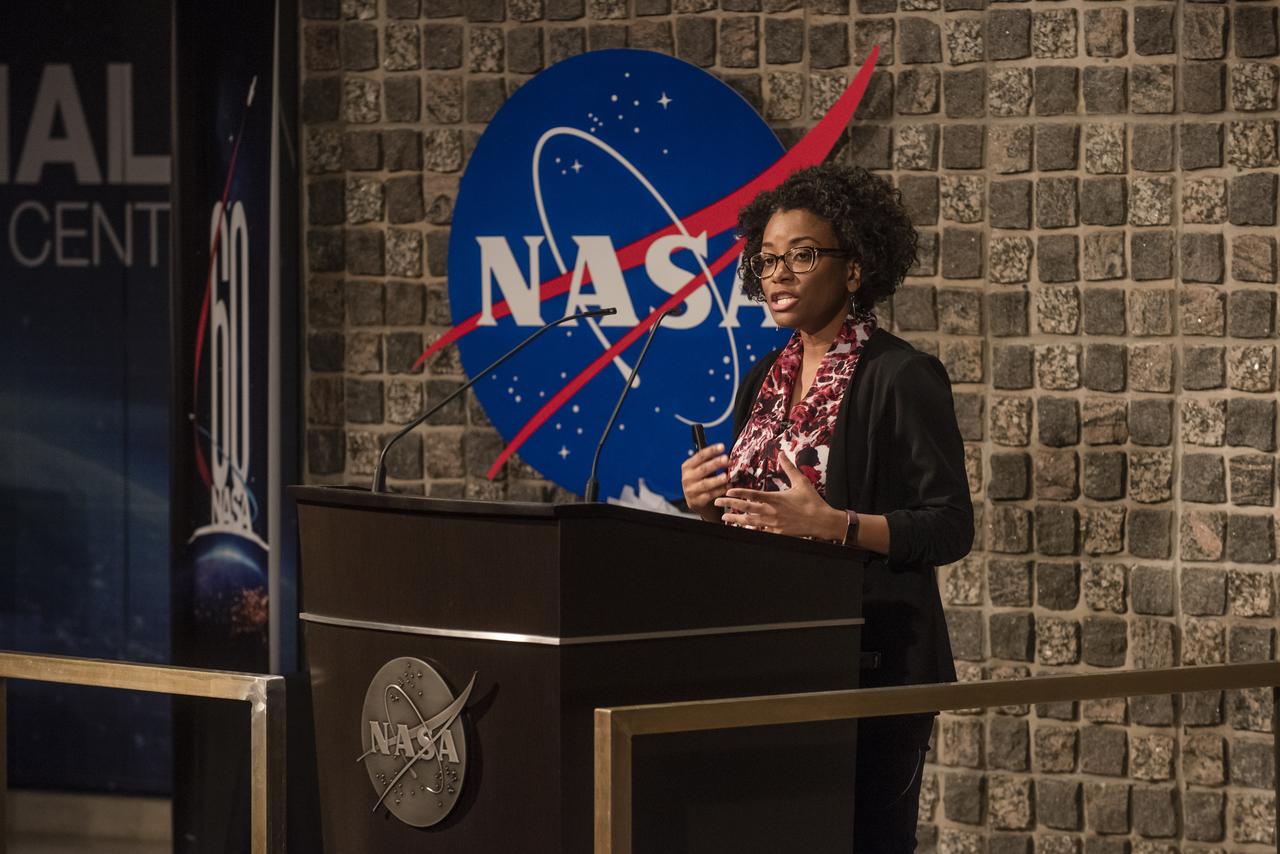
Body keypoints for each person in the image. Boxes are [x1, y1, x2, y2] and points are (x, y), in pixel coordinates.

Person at [679, 163, 973, 852]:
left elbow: (950, 525)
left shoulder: (901, 376)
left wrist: (835, 526)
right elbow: (756, 519)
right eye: (767, 259)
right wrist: (707, 504)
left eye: (802, 255)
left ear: (854, 269)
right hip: (767, 655)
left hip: (873, 664)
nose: (778, 274)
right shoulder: (764, 377)